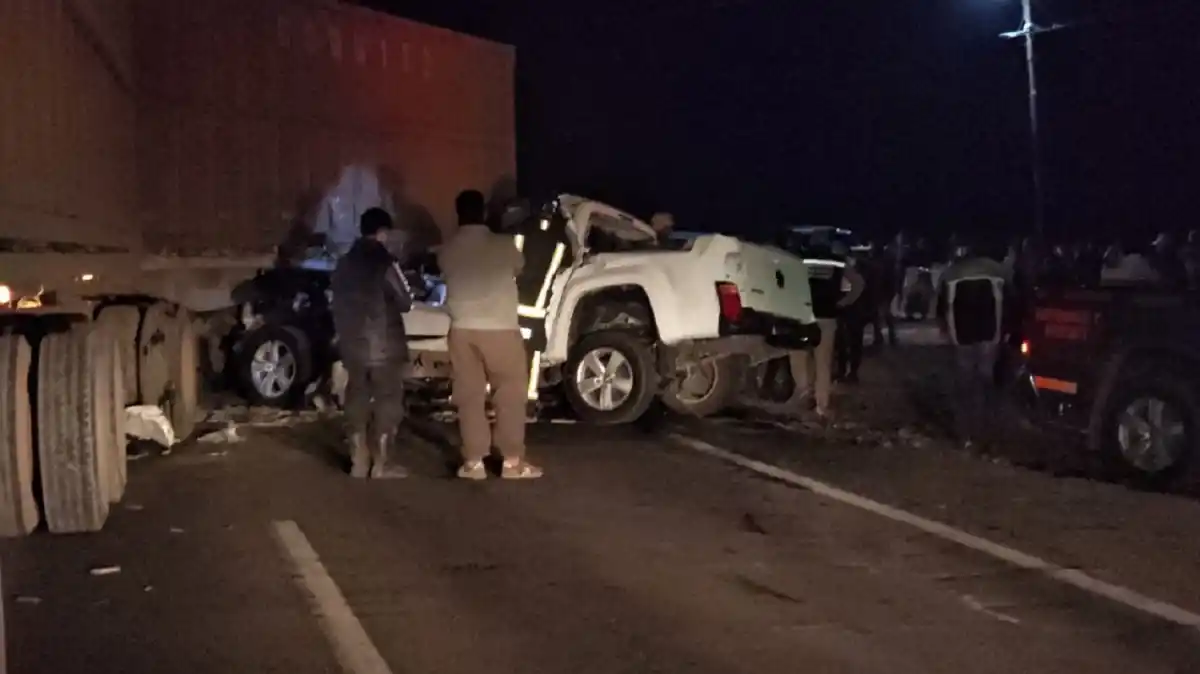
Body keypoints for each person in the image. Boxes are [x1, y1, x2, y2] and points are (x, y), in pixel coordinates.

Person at [438, 189, 542, 480]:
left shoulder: (447, 250)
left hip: (462, 330)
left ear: (458, 214)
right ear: (484, 213)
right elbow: (519, 267)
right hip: (501, 329)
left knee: (469, 395)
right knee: (509, 393)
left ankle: (473, 463)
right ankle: (511, 462)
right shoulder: (504, 245)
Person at [330, 207, 414, 479]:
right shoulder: (386, 262)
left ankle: (358, 461)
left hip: (351, 344)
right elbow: (406, 301)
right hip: (384, 347)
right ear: (382, 233)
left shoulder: (343, 263)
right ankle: (381, 463)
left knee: (356, 395)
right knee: (387, 399)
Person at [936, 240, 1010, 447]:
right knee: (985, 380)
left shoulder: (951, 273)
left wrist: (945, 329)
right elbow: (1012, 299)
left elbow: (941, 306)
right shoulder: (998, 270)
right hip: (990, 333)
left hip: (960, 334)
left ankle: (965, 434)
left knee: (964, 383)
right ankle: (984, 430)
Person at [791, 243, 864, 418]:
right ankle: (821, 405)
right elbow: (858, 283)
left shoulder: (799, 260)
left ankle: (804, 393)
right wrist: (844, 302)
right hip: (827, 316)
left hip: (802, 314)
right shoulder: (836, 262)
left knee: (799, 356)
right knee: (823, 362)